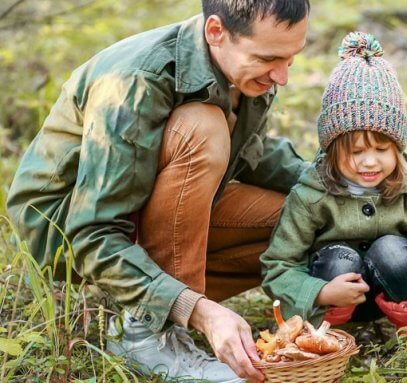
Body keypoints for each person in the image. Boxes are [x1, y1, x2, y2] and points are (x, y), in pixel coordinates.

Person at [5, 0, 311, 381]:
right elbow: (91, 233)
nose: (282, 76)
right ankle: (149, 336)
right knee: (201, 127)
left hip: (149, 213)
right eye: (270, 58)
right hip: (67, 231)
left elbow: (254, 155)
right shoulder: (135, 80)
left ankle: (142, 305)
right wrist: (204, 313)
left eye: (291, 58)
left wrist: (344, 181)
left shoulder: (244, 69)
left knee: (301, 218)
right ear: (216, 31)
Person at [260, 32, 407, 336]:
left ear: (398, 148)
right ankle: (327, 334)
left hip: (393, 290)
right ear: (333, 149)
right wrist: (320, 292)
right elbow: (279, 266)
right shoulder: (311, 196)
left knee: (392, 251)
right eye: (356, 151)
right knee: (340, 259)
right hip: (333, 295)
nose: (369, 162)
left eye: (381, 150)